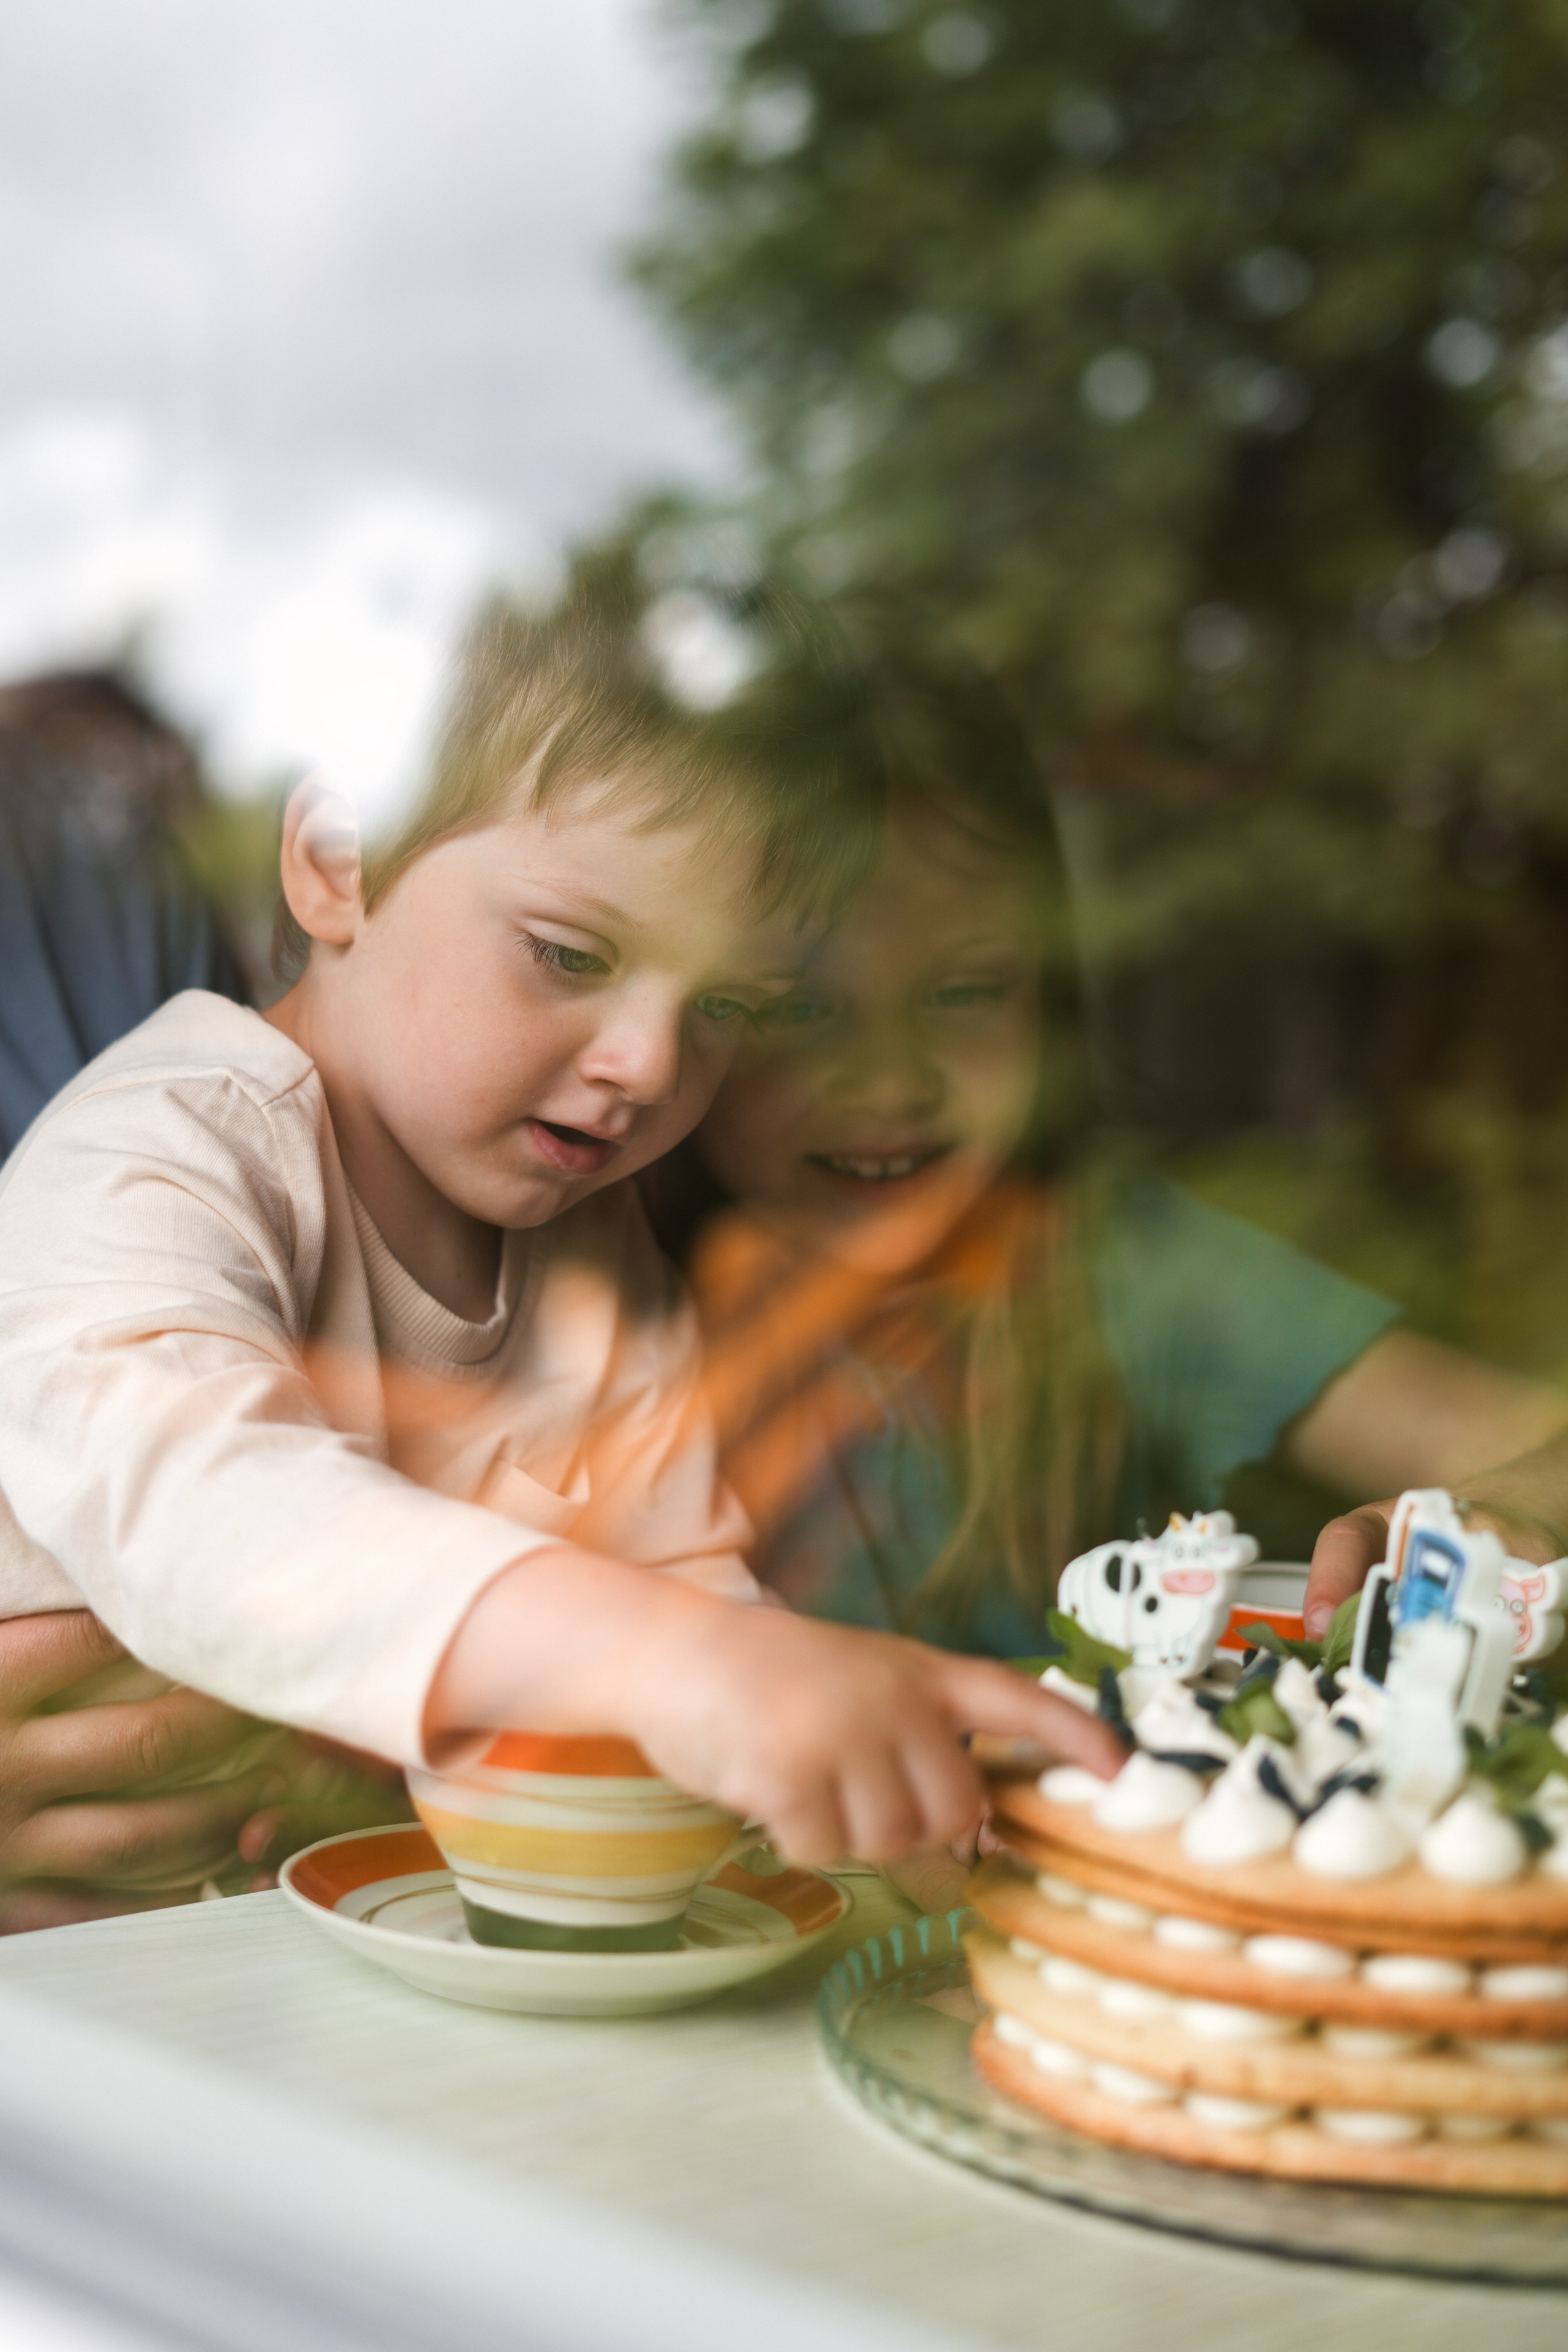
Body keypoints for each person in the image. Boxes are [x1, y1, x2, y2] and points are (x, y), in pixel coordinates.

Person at [0, 606, 1119, 1879]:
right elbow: (203, 1510)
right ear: (334, 864)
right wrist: (674, 1660)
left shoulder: (590, 1239)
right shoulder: (163, 1153)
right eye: (571, 955)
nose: (650, 1063)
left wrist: (855, 1769)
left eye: (726, 1003)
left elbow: (682, 1578)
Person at [659, 630, 1568, 1672]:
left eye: (964, 993)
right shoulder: (590, 1275)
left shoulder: (1123, 1264)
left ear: (1051, 1000)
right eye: (803, 1007)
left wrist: (1505, 1511)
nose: (893, 1080)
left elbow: (1541, 1442)